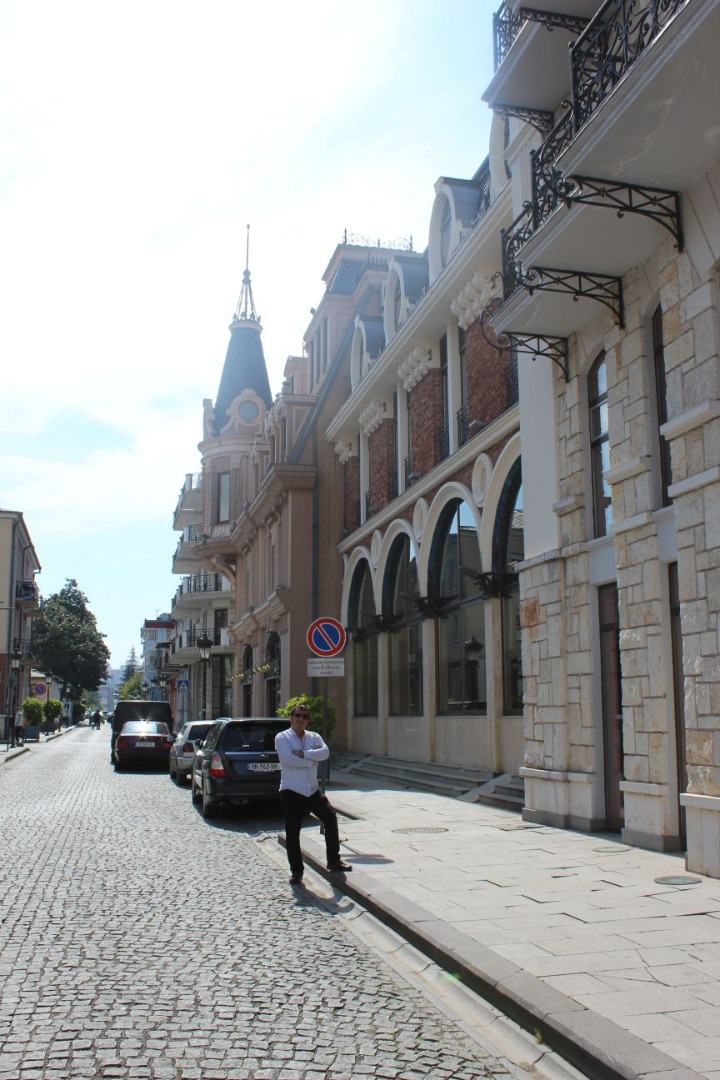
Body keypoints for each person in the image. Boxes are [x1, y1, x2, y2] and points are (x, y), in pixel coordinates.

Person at [275, 704, 352, 885]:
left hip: (312, 791)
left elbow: (325, 753)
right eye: (297, 715)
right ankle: (296, 872)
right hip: (291, 791)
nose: (301, 719)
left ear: (308, 720)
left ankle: (333, 860)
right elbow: (288, 759)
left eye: (304, 716)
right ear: (291, 718)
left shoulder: (314, 737)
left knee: (330, 818)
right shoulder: (282, 737)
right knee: (293, 832)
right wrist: (310, 761)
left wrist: (304, 753)